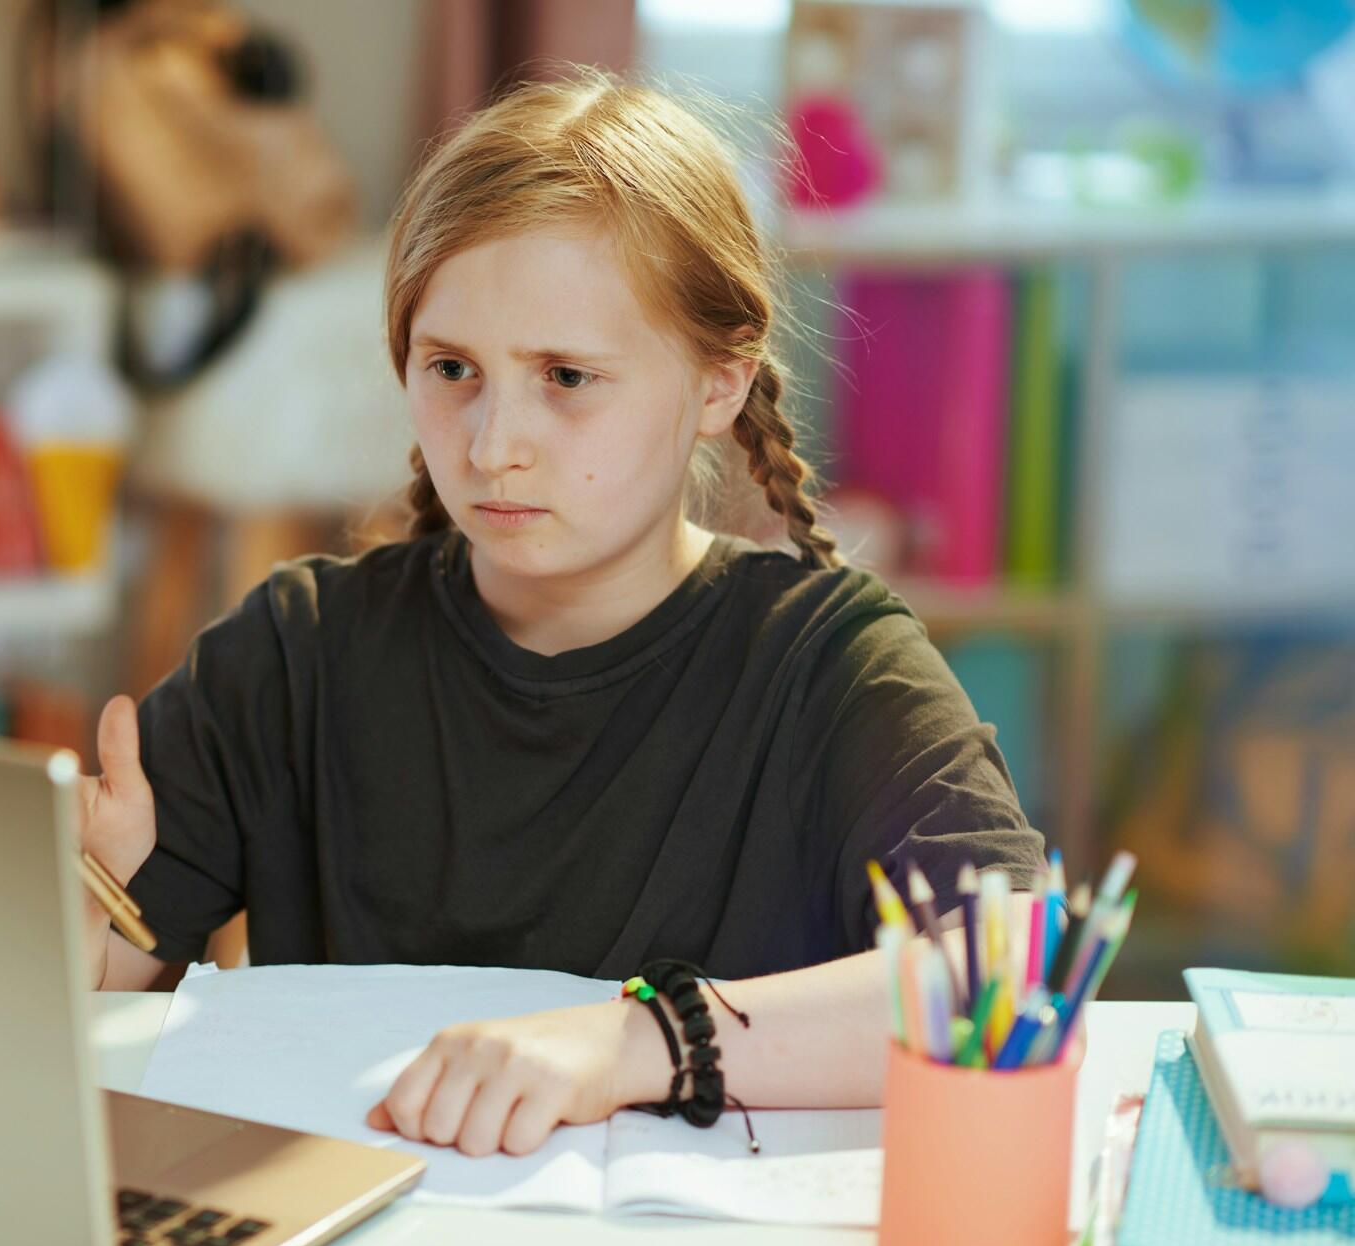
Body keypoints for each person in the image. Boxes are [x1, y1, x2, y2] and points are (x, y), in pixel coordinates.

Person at [70, 71, 1045, 1157]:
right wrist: (71, 922)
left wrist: (638, 1042)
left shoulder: (834, 665)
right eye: (452, 369)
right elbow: (103, 991)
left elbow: (1005, 976)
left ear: (719, 384)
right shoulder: (293, 655)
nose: (492, 444)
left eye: (567, 377)